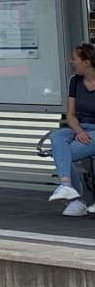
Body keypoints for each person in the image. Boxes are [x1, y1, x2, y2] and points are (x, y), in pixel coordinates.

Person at [45, 42, 95, 216]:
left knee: (62, 153)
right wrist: (79, 131)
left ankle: (75, 200)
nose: (70, 61)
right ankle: (67, 187)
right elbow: (71, 114)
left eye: (74, 59)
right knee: (58, 137)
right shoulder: (75, 81)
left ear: (87, 62)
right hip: (80, 128)